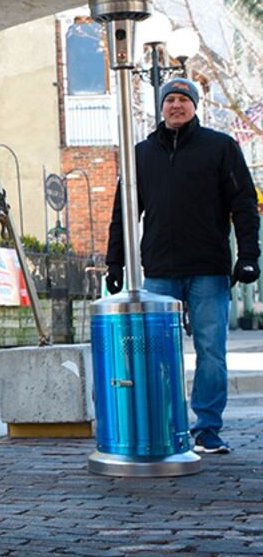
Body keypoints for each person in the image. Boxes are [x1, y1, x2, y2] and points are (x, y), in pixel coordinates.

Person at [106, 76, 259, 455]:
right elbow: (123, 213)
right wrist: (115, 263)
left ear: (195, 106)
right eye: (170, 100)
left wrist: (249, 257)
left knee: (211, 350)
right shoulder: (141, 154)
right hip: (159, 271)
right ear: (161, 107)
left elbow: (244, 205)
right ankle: (166, 424)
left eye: (183, 100)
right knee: (156, 353)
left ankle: (207, 428)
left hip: (208, 268)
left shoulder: (221, 148)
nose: (176, 106)